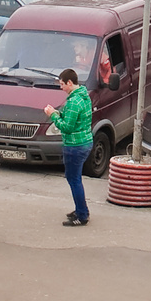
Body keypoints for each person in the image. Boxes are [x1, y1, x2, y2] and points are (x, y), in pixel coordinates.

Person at [45, 68, 94, 226]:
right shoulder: (83, 96)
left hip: (74, 145)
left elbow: (66, 127)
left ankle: (82, 214)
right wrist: (58, 113)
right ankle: (80, 209)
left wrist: (53, 115)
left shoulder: (73, 102)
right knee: (75, 178)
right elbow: (73, 118)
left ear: (70, 83)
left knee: (74, 180)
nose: (61, 87)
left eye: (62, 84)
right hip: (85, 141)